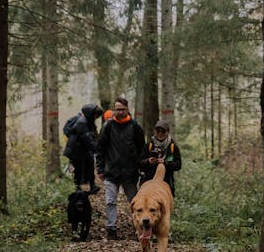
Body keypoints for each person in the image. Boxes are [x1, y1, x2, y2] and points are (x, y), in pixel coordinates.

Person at [95, 96, 145, 239]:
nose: (119, 112)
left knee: (135, 202)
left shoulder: (135, 126)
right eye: (117, 109)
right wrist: (99, 168)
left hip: (130, 172)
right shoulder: (108, 126)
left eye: (122, 109)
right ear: (113, 110)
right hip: (112, 171)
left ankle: (139, 228)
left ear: (128, 110)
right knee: (110, 201)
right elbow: (100, 149)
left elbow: (141, 148)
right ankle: (111, 229)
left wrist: (141, 166)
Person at [64, 104, 103, 194]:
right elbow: (88, 138)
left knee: (89, 166)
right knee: (77, 169)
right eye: (95, 115)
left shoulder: (89, 121)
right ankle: (77, 188)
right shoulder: (81, 122)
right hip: (75, 150)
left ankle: (92, 186)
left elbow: (93, 135)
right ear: (90, 113)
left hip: (83, 149)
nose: (96, 117)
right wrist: (97, 149)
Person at [139, 120, 181, 196]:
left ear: (167, 132)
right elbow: (139, 163)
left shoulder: (172, 147)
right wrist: (148, 161)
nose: (160, 134)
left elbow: (178, 165)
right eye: (158, 131)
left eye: (163, 131)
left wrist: (165, 163)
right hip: (148, 182)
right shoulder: (149, 145)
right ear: (155, 131)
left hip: (166, 183)